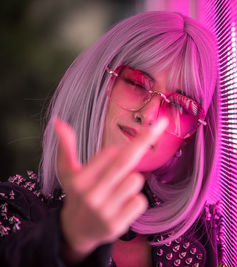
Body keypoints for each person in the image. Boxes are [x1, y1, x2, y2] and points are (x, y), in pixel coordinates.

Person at [0, 11, 222, 267]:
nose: (148, 115)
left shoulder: (201, 235)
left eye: (181, 106)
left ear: (188, 138)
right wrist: (69, 241)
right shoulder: (11, 207)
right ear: (98, 84)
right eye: (137, 84)